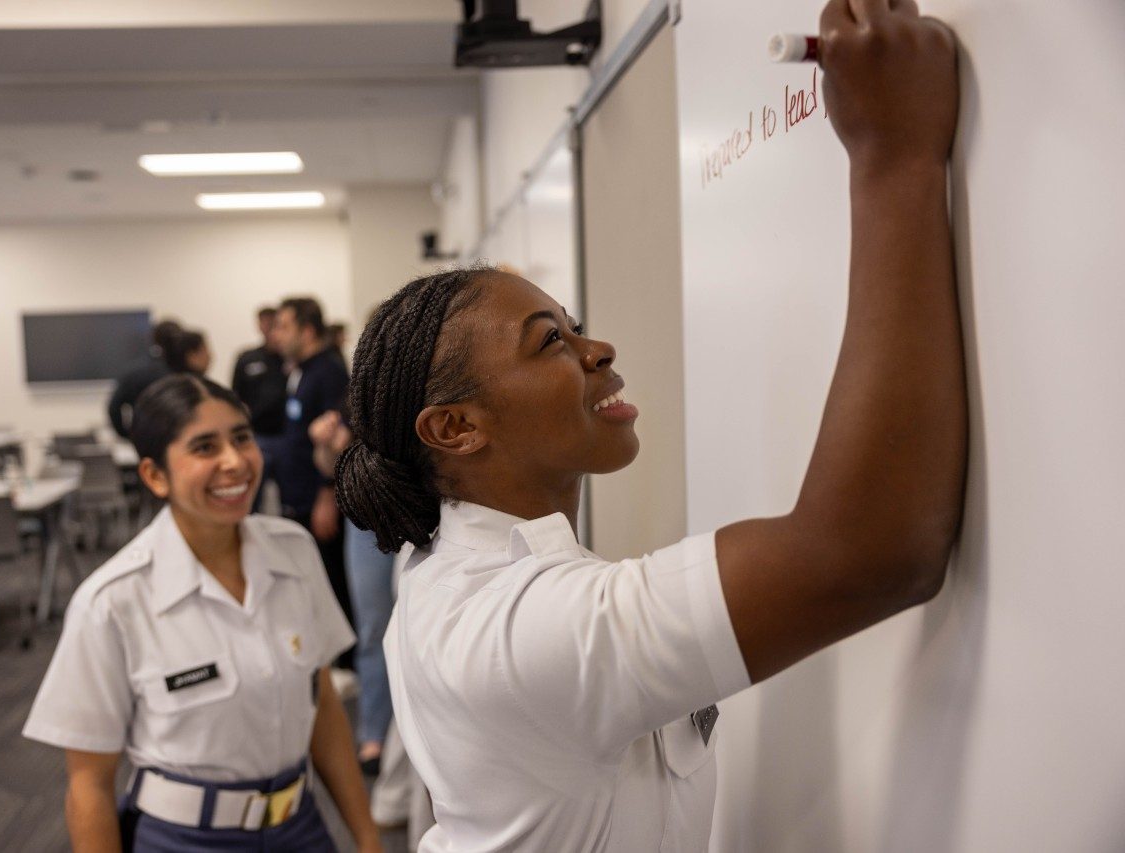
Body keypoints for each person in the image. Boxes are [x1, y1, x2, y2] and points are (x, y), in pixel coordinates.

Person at [333, 3, 964, 850]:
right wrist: (896, 157)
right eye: (550, 341)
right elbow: (870, 548)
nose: (597, 349)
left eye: (573, 322)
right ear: (455, 428)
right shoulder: (517, 630)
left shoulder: (454, 554)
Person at [23, 374, 381, 853]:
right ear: (155, 475)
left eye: (241, 438)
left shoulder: (294, 552)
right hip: (184, 840)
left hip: (300, 827)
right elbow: (88, 784)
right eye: (204, 447)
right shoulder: (112, 601)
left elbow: (322, 709)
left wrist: (367, 837)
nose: (234, 462)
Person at [267, 298, 354, 667]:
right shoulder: (298, 371)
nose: (276, 333)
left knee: (333, 582)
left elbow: (336, 442)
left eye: (284, 326)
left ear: (307, 330)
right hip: (297, 493)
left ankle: (345, 663)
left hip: (319, 497)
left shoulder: (329, 372)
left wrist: (327, 498)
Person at [308, 411, 393, 775]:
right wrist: (326, 443)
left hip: (433, 514)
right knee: (373, 628)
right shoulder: (363, 389)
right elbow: (331, 466)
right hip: (370, 519)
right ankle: (373, 733)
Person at [231, 307, 289, 506]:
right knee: (251, 495)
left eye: (273, 324)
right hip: (256, 436)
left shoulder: (290, 360)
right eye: (263, 323)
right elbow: (235, 396)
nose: (268, 328)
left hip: (286, 436)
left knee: (289, 497)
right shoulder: (247, 358)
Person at [108, 320, 183, 438]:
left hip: (145, 436)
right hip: (179, 435)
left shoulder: (135, 373)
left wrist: (127, 435)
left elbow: (114, 408)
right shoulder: (185, 374)